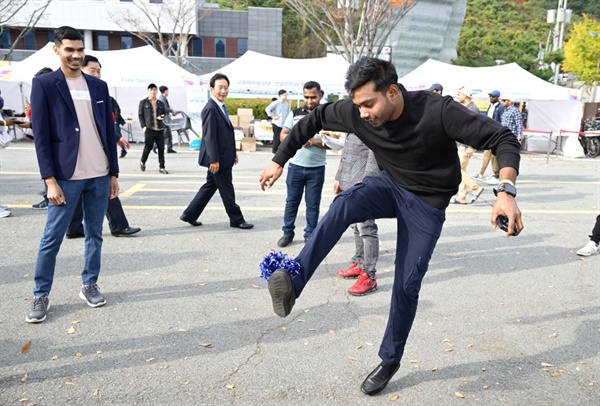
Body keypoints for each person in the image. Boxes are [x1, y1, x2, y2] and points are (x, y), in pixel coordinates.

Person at [259, 57, 523, 396]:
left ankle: (390, 359)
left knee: (406, 283)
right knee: (345, 204)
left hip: (427, 204)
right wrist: (279, 159)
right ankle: (294, 280)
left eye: (370, 103)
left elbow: (503, 138)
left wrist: (505, 191)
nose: (364, 113)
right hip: (389, 185)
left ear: (393, 92)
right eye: (358, 106)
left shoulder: (438, 110)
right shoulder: (356, 111)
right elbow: (314, 120)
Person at [26, 26, 119, 323]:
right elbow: (41, 136)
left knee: (95, 234)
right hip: (65, 177)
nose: (76, 55)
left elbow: (107, 130)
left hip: (99, 175)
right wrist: (49, 180)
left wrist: (113, 173)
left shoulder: (98, 86)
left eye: (79, 49)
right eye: (69, 49)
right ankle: (41, 294)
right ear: (57, 50)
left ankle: (89, 283)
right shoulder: (44, 84)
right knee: (51, 237)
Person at [66, 55, 141, 238]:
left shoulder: (99, 91)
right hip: (77, 150)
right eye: (93, 70)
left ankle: (77, 228)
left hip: (97, 149)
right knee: (98, 185)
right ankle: (116, 225)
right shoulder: (71, 93)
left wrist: (116, 137)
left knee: (100, 184)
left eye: (99, 70)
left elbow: (102, 123)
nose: (97, 74)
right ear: (81, 69)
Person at [180, 73, 253, 230]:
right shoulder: (211, 108)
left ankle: (190, 214)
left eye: (226, 88)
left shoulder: (220, 106)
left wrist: (233, 153)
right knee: (227, 189)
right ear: (211, 88)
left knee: (210, 186)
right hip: (217, 159)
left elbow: (225, 134)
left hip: (224, 155)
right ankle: (236, 219)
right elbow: (209, 136)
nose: (223, 91)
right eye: (220, 87)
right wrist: (214, 159)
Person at [276, 81, 328, 248]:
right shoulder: (296, 113)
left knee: (313, 204)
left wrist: (313, 141)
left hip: (317, 169)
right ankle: (287, 233)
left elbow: (335, 142)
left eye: (313, 97)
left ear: (321, 95)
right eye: (306, 97)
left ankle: (310, 234)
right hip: (296, 167)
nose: (310, 101)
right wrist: (297, 139)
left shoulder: (327, 115)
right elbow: (283, 135)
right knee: (291, 202)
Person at [334, 133, 380, 295]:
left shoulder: (370, 120)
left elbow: (374, 157)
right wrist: (339, 179)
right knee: (355, 226)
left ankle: (369, 275)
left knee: (366, 229)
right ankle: (360, 264)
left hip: (362, 185)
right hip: (349, 182)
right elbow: (346, 153)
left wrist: (366, 185)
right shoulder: (352, 118)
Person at [451, 86, 484, 205]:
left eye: (459, 94)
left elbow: (475, 130)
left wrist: (471, 146)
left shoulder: (473, 109)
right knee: (461, 170)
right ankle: (462, 197)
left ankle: (475, 188)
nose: (457, 96)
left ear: (465, 95)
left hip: (465, 145)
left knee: (457, 170)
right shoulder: (467, 107)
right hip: (461, 143)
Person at [472, 90, 504, 185]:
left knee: (493, 156)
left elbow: (502, 120)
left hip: (496, 133)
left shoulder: (500, 107)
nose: (491, 98)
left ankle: (496, 175)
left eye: (493, 97)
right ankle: (482, 173)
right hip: (489, 132)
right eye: (490, 96)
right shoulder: (490, 106)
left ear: (497, 97)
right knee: (487, 154)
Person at [139, 83, 169, 174]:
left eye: (155, 90)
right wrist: (143, 126)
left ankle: (162, 167)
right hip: (149, 128)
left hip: (159, 128)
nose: (153, 92)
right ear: (148, 91)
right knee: (148, 147)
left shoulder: (161, 103)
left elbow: (164, 114)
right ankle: (143, 161)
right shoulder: (143, 102)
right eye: (151, 90)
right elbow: (140, 115)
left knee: (161, 148)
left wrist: (162, 117)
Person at [265, 89, 290, 153]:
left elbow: (288, 113)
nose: (286, 96)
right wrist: (272, 116)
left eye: (286, 95)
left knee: (283, 137)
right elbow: (267, 109)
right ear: (281, 95)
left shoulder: (286, 104)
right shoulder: (276, 102)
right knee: (276, 137)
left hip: (284, 124)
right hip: (277, 123)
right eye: (285, 95)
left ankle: (281, 150)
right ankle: (275, 151)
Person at [158, 85, 179, 153]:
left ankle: (169, 148)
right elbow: (165, 108)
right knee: (166, 133)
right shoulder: (162, 99)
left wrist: (172, 111)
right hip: (164, 119)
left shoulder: (163, 98)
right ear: (165, 91)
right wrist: (172, 111)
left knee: (167, 133)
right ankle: (156, 145)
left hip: (165, 118)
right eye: (168, 91)